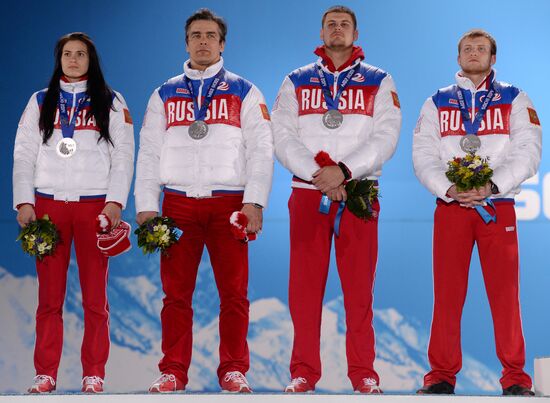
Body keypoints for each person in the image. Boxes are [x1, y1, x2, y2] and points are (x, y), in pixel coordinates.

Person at [134, 8, 273, 394]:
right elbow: (148, 151)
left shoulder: (245, 90)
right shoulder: (164, 92)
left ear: (223, 43)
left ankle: (233, 369)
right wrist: (146, 204)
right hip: (177, 204)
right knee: (175, 295)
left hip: (229, 204)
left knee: (234, 294)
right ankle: (173, 371)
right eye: (196, 35)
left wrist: (255, 202)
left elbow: (262, 150)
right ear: (186, 42)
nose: (203, 41)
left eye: (211, 35)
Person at [271, 5, 401, 394]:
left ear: (355, 34)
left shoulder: (380, 80)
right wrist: (320, 174)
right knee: (304, 290)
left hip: (359, 192)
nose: (337, 29)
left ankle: (363, 373)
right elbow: (281, 134)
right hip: (308, 193)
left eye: (344, 24)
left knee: (360, 290)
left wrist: (343, 172)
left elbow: (387, 136)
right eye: (331, 24)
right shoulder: (295, 80)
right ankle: (303, 373)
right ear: (322, 32)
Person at [412, 29, 541, 396]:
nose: (473, 53)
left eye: (481, 49)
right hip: (451, 207)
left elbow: (528, 151)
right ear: (457, 58)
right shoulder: (436, 102)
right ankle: (440, 375)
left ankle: (515, 377)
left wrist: (492, 186)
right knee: (447, 295)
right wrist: (448, 188)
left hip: (496, 208)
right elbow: (422, 154)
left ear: (493, 58)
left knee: (505, 294)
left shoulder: (516, 98)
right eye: (467, 49)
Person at [13, 32, 135, 394]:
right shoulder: (40, 101)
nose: (73, 59)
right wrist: (24, 201)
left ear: (90, 60)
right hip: (49, 208)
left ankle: (93, 373)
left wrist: (115, 201)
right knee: (49, 298)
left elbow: (123, 155)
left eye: (80, 54)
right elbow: (23, 153)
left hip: (93, 206)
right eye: (67, 53)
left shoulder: (111, 102)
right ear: (59, 59)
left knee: (95, 298)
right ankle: (45, 373)